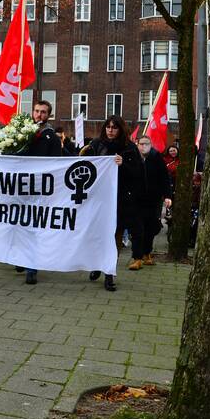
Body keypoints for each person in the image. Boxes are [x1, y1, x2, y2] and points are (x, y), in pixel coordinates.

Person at [81, 115, 145, 289]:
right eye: (108, 127)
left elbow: (138, 173)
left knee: (114, 238)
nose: (110, 130)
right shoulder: (96, 145)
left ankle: (109, 274)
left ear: (120, 129)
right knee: (97, 235)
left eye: (114, 127)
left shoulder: (129, 148)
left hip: (120, 201)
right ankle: (96, 265)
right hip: (98, 199)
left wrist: (123, 164)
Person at [15, 100, 64, 285]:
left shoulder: (51, 137)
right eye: (36, 111)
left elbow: (57, 163)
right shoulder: (22, 131)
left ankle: (31, 266)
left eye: (43, 112)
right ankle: (20, 258)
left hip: (40, 188)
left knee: (34, 226)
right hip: (21, 185)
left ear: (48, 115)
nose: (39, 115)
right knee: (19, 224)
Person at [136, 136, 173, 264]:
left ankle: (147, 253)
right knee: (138, 228)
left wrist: (167, 196)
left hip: (154, 199)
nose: (144, 146)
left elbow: (164, 177)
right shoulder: (133, 157)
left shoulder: (156, 157)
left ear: (150, 145)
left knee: (151, 227)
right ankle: (137, 257)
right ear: (138, 144)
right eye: (141, 144)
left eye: (146, 144)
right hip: (137, 199)